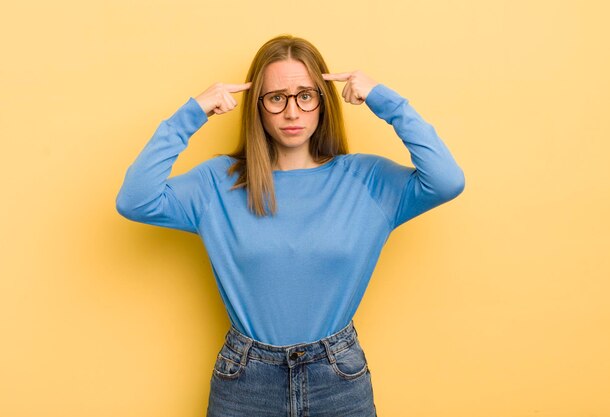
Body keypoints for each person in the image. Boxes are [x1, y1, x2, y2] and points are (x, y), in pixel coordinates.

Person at [116, 34, 465, 417]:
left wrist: (385, 100)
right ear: (259, 107)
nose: (292, 113)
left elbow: (446, 179)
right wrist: (192, 113)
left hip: (337, 378)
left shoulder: (367, 180)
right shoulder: (219, 182)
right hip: (246, 380)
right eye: (277, 97)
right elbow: (136, 200)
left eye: (305, 95)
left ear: (322, 101)